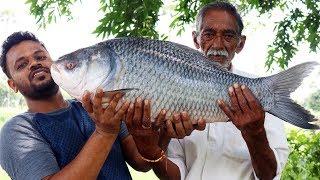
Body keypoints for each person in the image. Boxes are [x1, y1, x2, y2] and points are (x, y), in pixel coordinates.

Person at [0, 31, 204, 180]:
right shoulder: (17, 130)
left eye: (40, 56)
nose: (34, 63)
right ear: (12, 85)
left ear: (52, 62)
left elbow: (140, 162)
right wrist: (105, 132)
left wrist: (164, 131)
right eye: (21, 64)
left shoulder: (97, 105)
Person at [163, 2, 289, 180]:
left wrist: (255, 133)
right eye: (208, 34)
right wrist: (155, 146)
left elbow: (269, 175)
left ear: (240, 43)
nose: (217, 44)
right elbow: (175, 173)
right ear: (195, 39)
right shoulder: (174, 88)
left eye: (228, 36)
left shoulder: (259, 93)